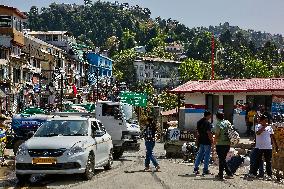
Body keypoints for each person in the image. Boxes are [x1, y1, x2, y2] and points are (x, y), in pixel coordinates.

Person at [248, 114, 278, 180]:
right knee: (257, 161)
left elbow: (272, 137)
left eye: (267, 120)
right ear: (261, 121)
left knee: (268, 161)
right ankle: (254, 174)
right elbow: (258, 133)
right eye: (265, 120)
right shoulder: (257, 126)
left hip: (268, 147)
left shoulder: (269, 128)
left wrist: (276, 146)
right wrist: (264, 127)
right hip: (259, 147)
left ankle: (269, 175)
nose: (267, 122)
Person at [214, 112, 233, 181]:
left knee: (221, 159)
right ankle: (229, 173)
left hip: (220, 144)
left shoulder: (218, 124)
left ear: (217, 117)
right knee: (223, 159)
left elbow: (217, 134)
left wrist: (214, 142)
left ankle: (221, 175)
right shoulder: (228, 122)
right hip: (227, 143)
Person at [193, 110, 213, 175]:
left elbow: (196, 131)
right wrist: (212, 140)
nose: (210, 117)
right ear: (208, 115)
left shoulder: (199, 122)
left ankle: (196, 168)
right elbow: (208, 133)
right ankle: (205, 169)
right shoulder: (207, 123)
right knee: (207, 155)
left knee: (200, 154)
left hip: (201, 140)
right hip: (207, 141)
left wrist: (197, 139)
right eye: (210, 115)